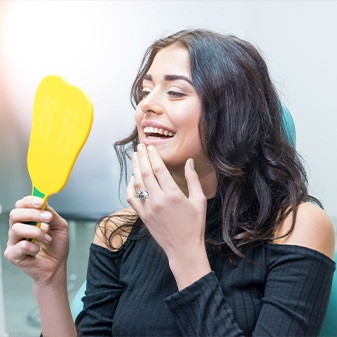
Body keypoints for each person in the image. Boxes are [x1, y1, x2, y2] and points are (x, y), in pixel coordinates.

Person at [4, 29, 336, 337]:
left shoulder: (296, 227)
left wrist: (184, 252)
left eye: (175, 91)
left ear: (234, 115)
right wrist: (49, 282)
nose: (146, 104)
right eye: (146, 91)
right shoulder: (117, 232)